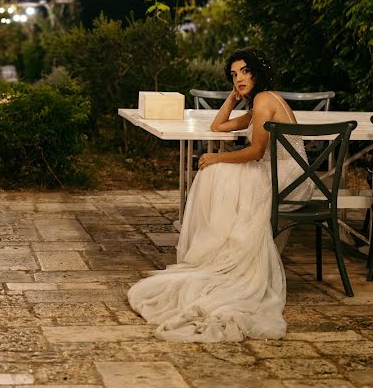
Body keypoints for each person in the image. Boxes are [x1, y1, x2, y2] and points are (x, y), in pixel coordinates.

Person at [127, 46, 313, 342]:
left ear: (258, 72)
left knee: (216, 170)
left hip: (288, 178)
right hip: (283, 173)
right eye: (233, 74)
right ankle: (216, 243)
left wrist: (217, 158)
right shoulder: (259, 104)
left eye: (245, 71)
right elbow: (218, 126)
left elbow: (256, 152)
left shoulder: (265, 100)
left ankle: (217, 247)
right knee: (217, 174)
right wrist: (232, 97)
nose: (239, 78)